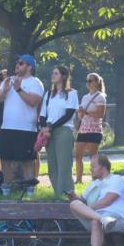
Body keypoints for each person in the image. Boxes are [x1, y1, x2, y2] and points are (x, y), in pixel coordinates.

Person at [66, 153, 124, 246]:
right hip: (99, 217)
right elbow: (82, 201)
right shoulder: (93, 184)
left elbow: (109, 200)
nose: (90, 169)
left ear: (103, 167)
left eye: (93, 166)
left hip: (115, 218)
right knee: (74, 204)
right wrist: (75, 197)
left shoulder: (116, 179)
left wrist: (88, 209)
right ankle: (103, 219)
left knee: (95, 221)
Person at [0, 54, 44, 196]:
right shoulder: (9, 80)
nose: (17, 65)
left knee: (27, 161)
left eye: (21, 63)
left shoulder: (35, 82)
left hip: (26, 129)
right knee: (6, 160)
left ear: (29, 67)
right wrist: (5, 90)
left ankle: (30, 192)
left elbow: (34, 101)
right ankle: (6, 191)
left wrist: (19, 89)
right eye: (17, 62)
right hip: (7, 128)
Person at [39, 65, 79, 196]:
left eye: (56, 73)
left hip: (63, 131)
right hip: (49, 132)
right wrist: (44, 128)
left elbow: (68, 114)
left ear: (63, 76)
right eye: (53, 73)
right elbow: (43, 114)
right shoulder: (48, 94)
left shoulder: (71, 93)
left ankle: (67, 194)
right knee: (52, 165)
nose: (53, 75)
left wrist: (50, 127)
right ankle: (57, 194)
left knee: (64, 165)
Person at [75, 73, 107, 184]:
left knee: (93, 157)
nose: (88, 83)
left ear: (97, 82)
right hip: (83, 130)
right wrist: (79, 113)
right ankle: (78, 180)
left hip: (94, 130)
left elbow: (100, 114)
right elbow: (81, 115)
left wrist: (86, 112)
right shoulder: (84, 97)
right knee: (78, 155)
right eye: (87, 81)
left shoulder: (100, 97)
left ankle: (95, 179)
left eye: (91, 80)